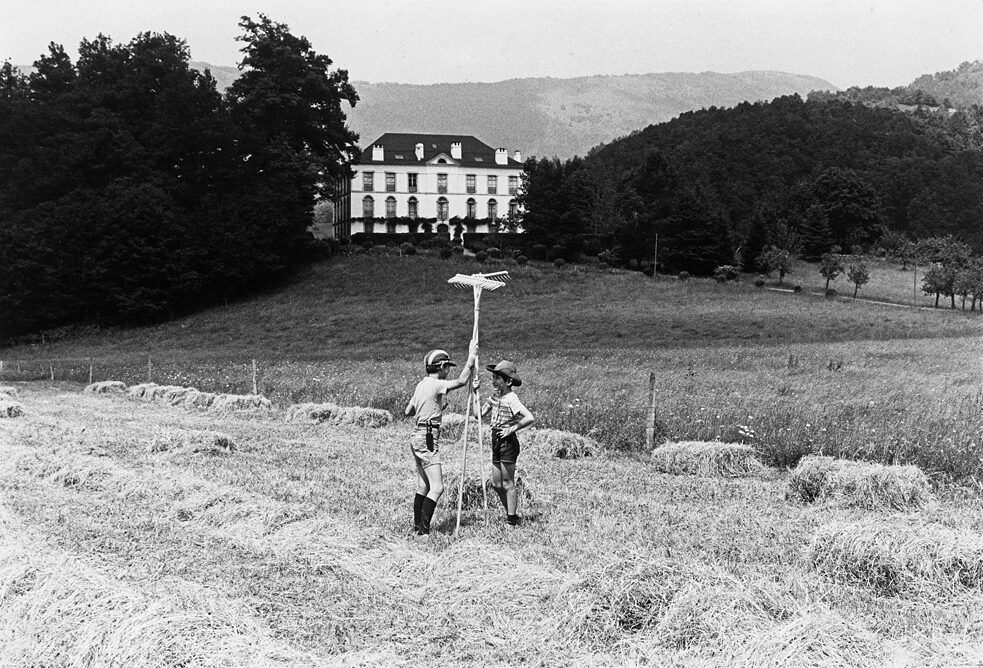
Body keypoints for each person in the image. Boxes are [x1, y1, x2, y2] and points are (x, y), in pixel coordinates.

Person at [404, 343, 477, 538]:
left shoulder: (421, 384)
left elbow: (408, 411)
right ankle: (423, 532)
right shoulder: (437, 384)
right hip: (428, 437)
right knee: (437, 487)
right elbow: (462, 381)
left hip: (416, 435)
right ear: (442, 366)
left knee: (423, 486)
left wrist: (433, 407)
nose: (448, 371)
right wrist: (471, 359)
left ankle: (417, 525)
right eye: (448, 367)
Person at [482, 360, 534, 526]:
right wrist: (474, 392)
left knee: (507, 482)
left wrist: (511, 429)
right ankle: (511, 512)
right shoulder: (495, 397)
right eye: (493, 377)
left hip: (507, 442)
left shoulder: (511, 398)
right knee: (496, 483)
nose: (493, 381)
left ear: (508, 381)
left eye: (497, 378)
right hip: (495, 439)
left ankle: (511, 519)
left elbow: (529, 417)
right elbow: (478, 414)